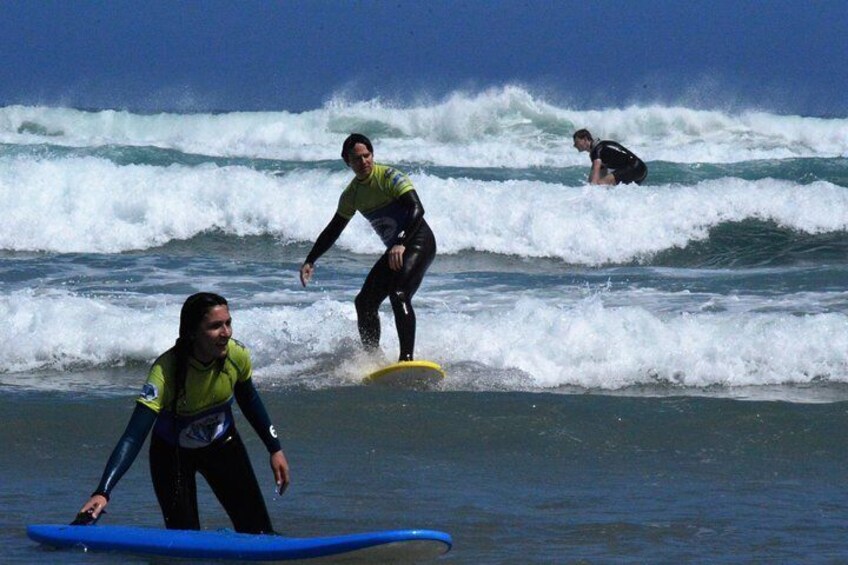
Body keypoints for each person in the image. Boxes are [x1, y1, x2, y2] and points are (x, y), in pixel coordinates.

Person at [76, 292, 290, 534]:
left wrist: (275, 449)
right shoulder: (165, 372)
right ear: (192, 332)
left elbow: (249, 400)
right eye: (215, 326)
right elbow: (133, 437)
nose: (226, 333)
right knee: (184, 541)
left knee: (258, 532)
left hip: (224, 446)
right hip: (172, 456)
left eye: (228, 323)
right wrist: (103, 490)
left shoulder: (236, 355)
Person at [299, 133, 436, 362]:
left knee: (399, 293)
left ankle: (407, 359)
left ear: (372, 155)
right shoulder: (351, 194)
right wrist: (310, 260)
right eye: (357, 159)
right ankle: (372, 359)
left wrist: (401, 242)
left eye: (367, 156)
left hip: (419, 241)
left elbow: (417, 209)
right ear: (347, 162)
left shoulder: (389, 176)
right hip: (396, 248)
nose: (363, 162)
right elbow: (334, 228)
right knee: (364, 302)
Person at [572, 129, 647, 185]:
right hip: (641, 169)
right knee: (607, 187)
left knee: (600, 185)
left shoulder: (597, 150)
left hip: (634, 168)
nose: (574, 145)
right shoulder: (599, 149)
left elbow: (594, 182)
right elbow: (597, 176)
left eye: (576, 142)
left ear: (585, 139)